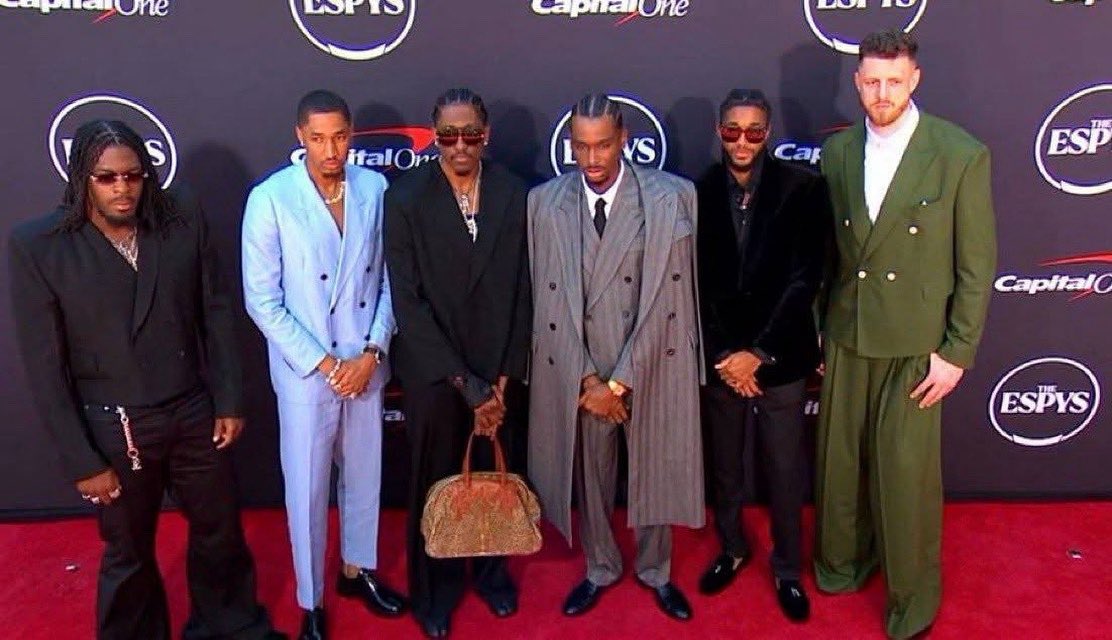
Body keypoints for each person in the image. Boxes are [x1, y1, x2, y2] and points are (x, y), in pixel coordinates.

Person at [8, 119, 283, 640]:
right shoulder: (40, 246)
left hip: (193, 411)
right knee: (128, 550)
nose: (122, 189)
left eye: (133, 176)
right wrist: (82, 460)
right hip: (115, 427)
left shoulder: (179, 218)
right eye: (106, 178)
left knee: (219, 532)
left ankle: (231, 626)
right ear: (81, 179)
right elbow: (45, 368)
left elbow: (216, 311)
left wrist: (228, 397)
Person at [814, 30, 997, 639]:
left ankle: (911, 601)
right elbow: (829, 255)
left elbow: (977, 265)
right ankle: (841, 566)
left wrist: (956, 352)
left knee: (906, 480)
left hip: (917, 345)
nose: (882, 93)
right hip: (847, 333)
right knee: (839, 467)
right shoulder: (837, 153)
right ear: (857, 81)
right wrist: (820, 328)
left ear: (914, 80)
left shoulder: (958, 152)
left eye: (894, 81)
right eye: (871, 81)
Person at [527, 93, 704, 622]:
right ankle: (599, 566)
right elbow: (546, 300)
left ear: (623, 139)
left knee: (657, 468)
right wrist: (587, 380)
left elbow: (671, 300)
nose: (592, 158)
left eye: (603, 144)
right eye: (580, 146)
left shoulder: (673, 197)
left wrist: (619, 382)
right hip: (583, 368)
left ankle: (656, 571)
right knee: (592, 477)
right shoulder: (544, 202)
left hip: (650, 361)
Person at [242, 90, 405, 640]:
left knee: (364, 478)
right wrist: (322, 362)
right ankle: (312, 601)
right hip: (306, 375)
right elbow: (261, 300)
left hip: (365, 364)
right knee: (307, 489)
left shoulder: (376, 189)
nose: (330, 148)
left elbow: (391, 280)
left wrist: (373, 350)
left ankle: (358, 570)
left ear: (352, 133)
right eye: (318, 138)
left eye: (339, 136)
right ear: (299, 137)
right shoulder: (271, 199)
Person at [384, 87, 531, 639]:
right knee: (436, 481)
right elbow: (407, 300)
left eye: (471, 133)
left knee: (496, 474)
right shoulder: (405, 199)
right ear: (434, 136)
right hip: (434, 372)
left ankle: (493, 577)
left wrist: (499, 377)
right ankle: (435, 592)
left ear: (486, 134)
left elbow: (526, 289)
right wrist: (462, 382)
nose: (460, 145)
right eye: (448, 135)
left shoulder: (515, 193)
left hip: (497, 371)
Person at [695, 88, 830, 622]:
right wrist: (729, 354)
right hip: (722, 361)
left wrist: (760, 352)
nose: (743, 140)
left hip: (781, 357)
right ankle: (731, 548)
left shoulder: (804, 188)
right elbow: (696, 283)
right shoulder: (698, 192)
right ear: (719, 130)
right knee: (725, 465)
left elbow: (805, 280)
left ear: (767, 133)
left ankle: (788, 568)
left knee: (784, 468)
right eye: (733, 130)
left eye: (753, 130)